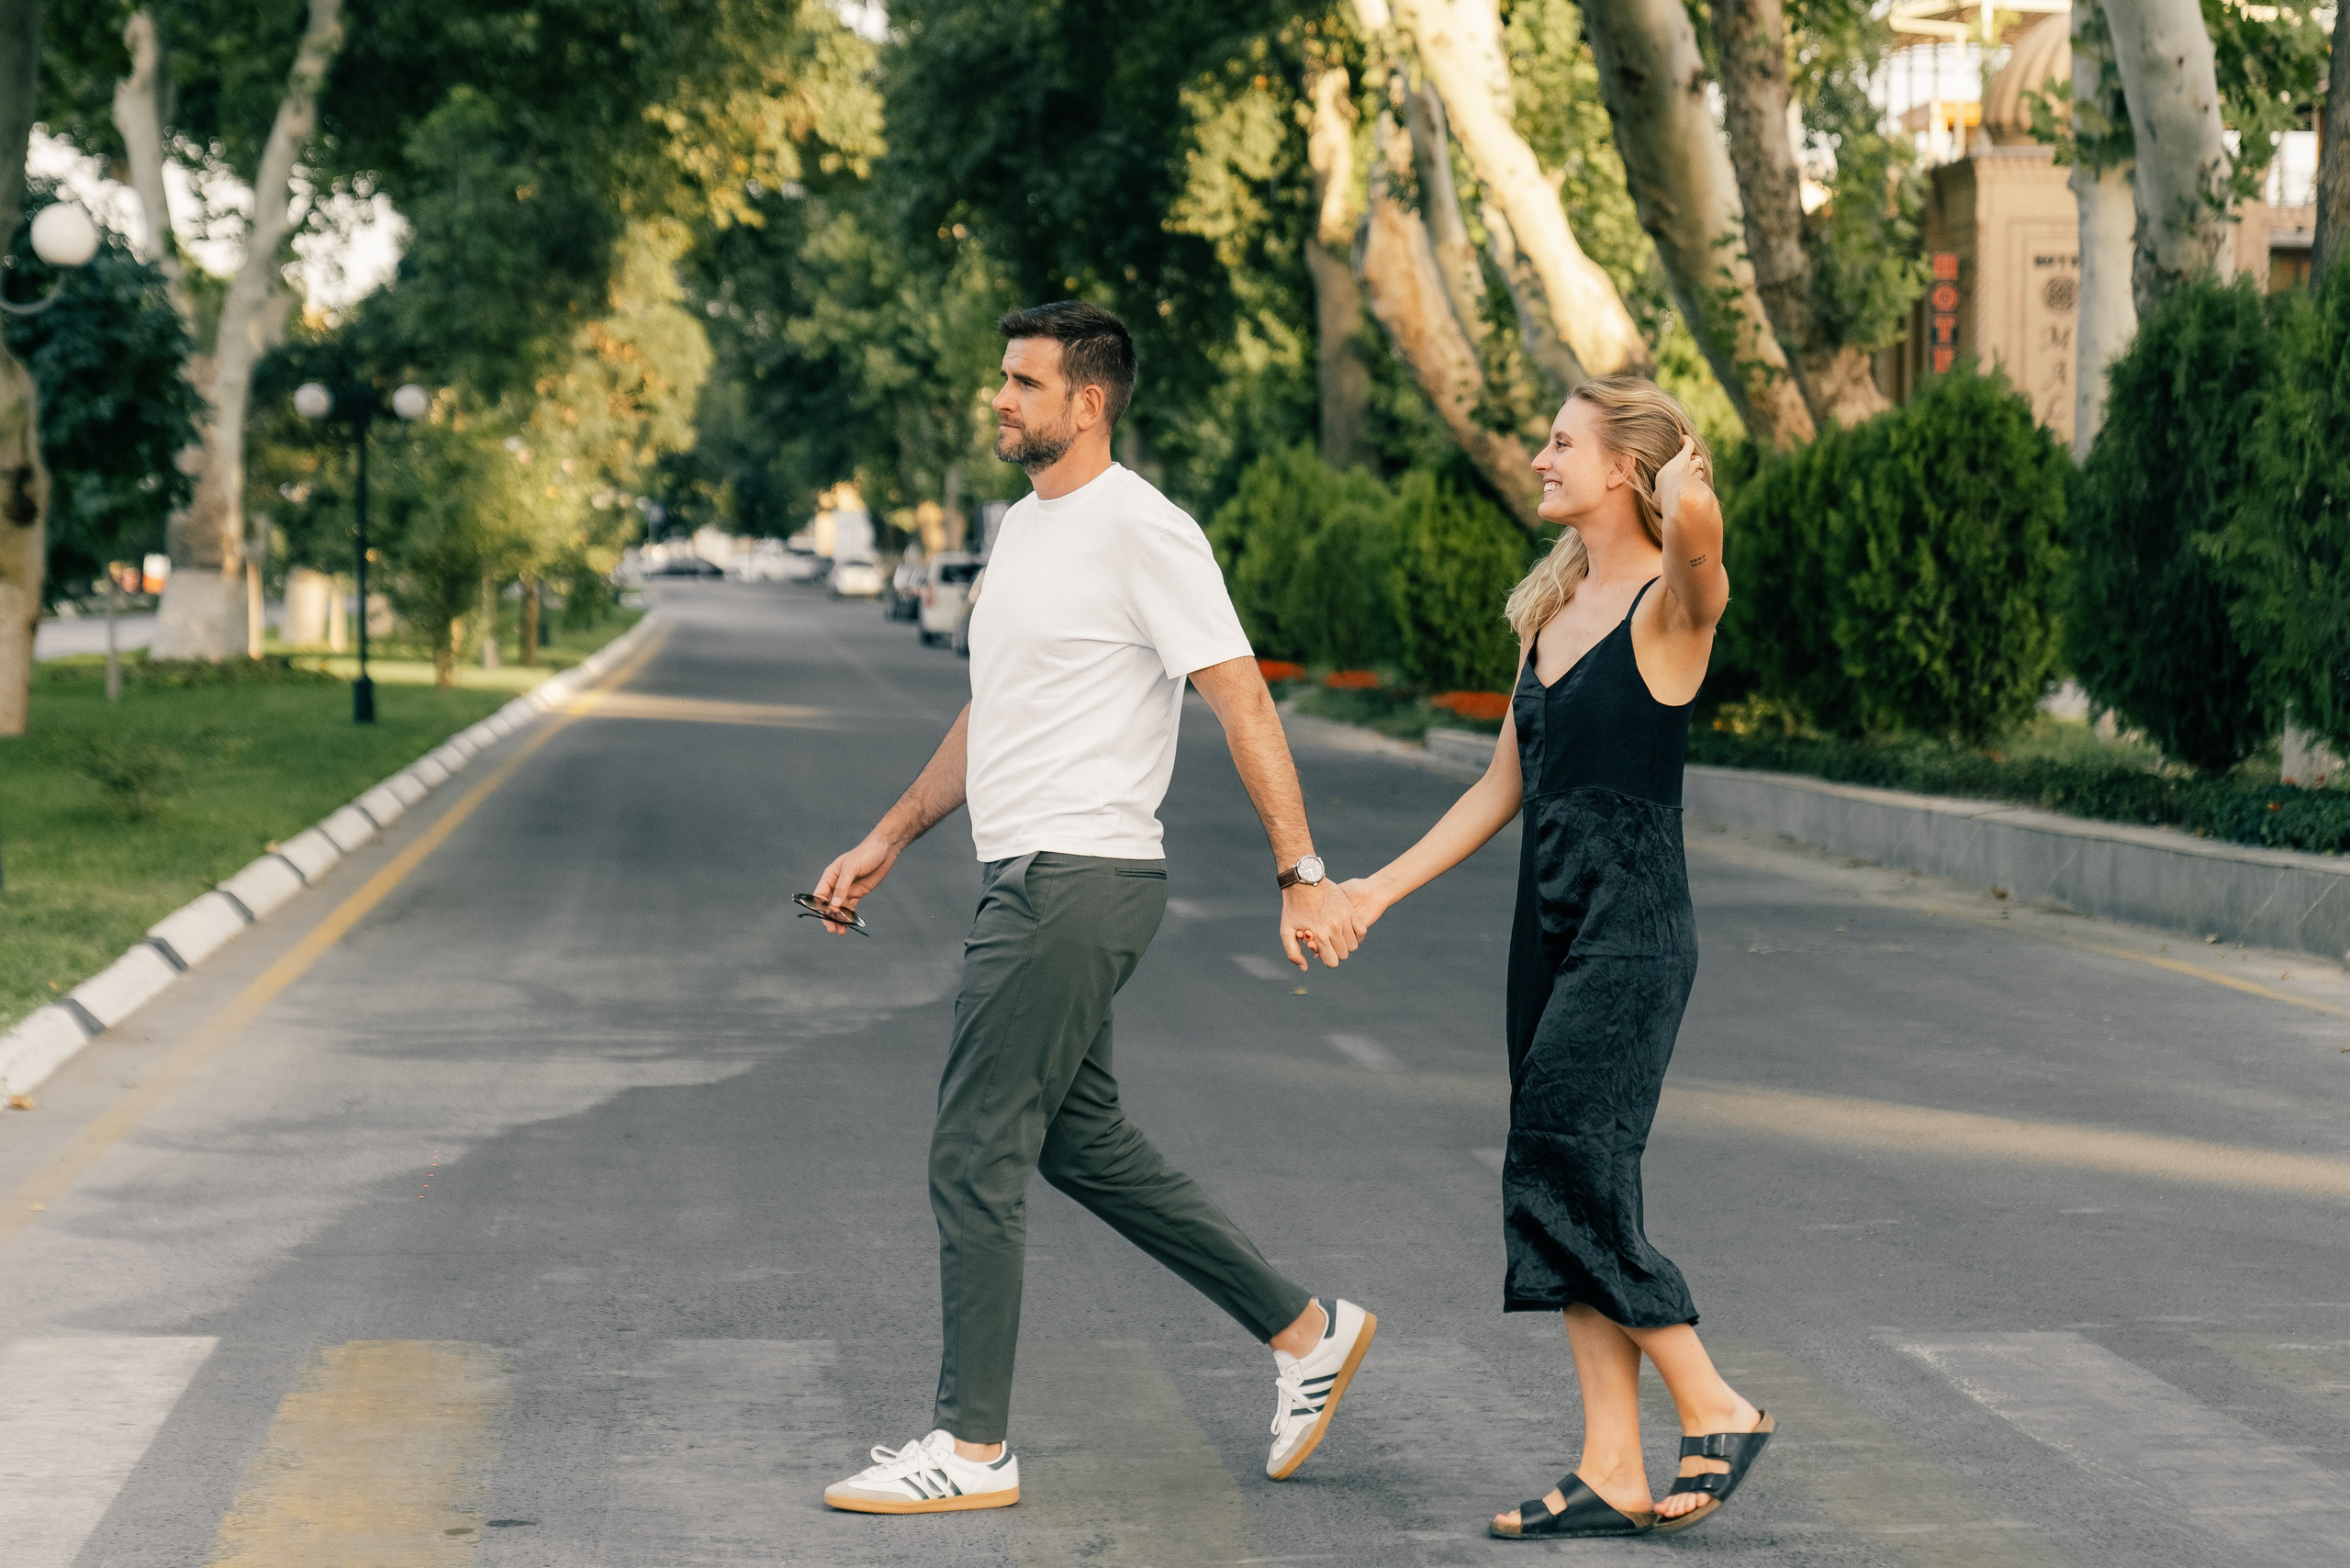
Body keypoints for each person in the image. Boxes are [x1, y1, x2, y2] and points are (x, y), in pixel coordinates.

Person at [808, 301, 1378, 1516]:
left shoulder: (1145, 531)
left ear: (1091, 402)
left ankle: (973, 1450)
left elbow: (1244, 703)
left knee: (974, 1151)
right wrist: (888, 836)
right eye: (999, 378)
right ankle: (1305, 1333)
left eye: (1024, 382)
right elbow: (993, 711)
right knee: (1079, 1142)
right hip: (1030, 871)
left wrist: (1299, 871)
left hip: (1078, 877)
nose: (1000, 399)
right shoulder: (1021, 530)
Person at [1337, 375, 1772, 1540]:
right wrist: (1372, 891)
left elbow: (1703, 553)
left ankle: (1712, 1398)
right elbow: (1499, 790)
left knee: (1555, 1161)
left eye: (1561, 442)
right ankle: (1611, 1463)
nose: (1538, 456)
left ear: (1624, 471)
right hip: (1549, 931)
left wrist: (1689, 494)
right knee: (1576, 1179)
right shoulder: (1549, 614)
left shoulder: (1671, 611)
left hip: (1633, 937)